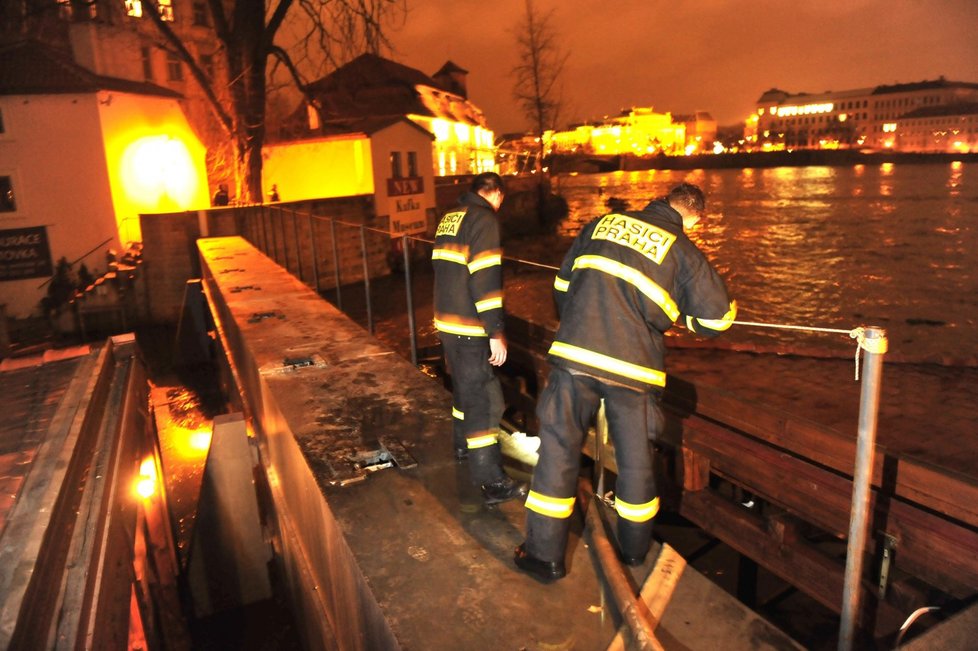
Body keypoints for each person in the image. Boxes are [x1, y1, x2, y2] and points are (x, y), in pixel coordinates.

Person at [514, 182, 736, 581]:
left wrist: (581, 325)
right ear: (694, 218)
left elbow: (564, 286)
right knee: (635, 463)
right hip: (633, 370)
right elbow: (716, 319)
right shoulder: (682, 249)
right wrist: (679, 315)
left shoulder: (601, 223)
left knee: (558, 452)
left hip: (575, 355)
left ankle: (543, 557)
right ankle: (633, 553)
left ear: (661, 201)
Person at [432, 172, 527, 505]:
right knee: (486, 401)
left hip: (446, 321)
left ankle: (461, 446)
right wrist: (496, 331)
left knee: (464, 387)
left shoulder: (450, 217)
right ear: (497, 195)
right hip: (470, 326)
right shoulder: (484, 220)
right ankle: (490, 481)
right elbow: (485, 280)